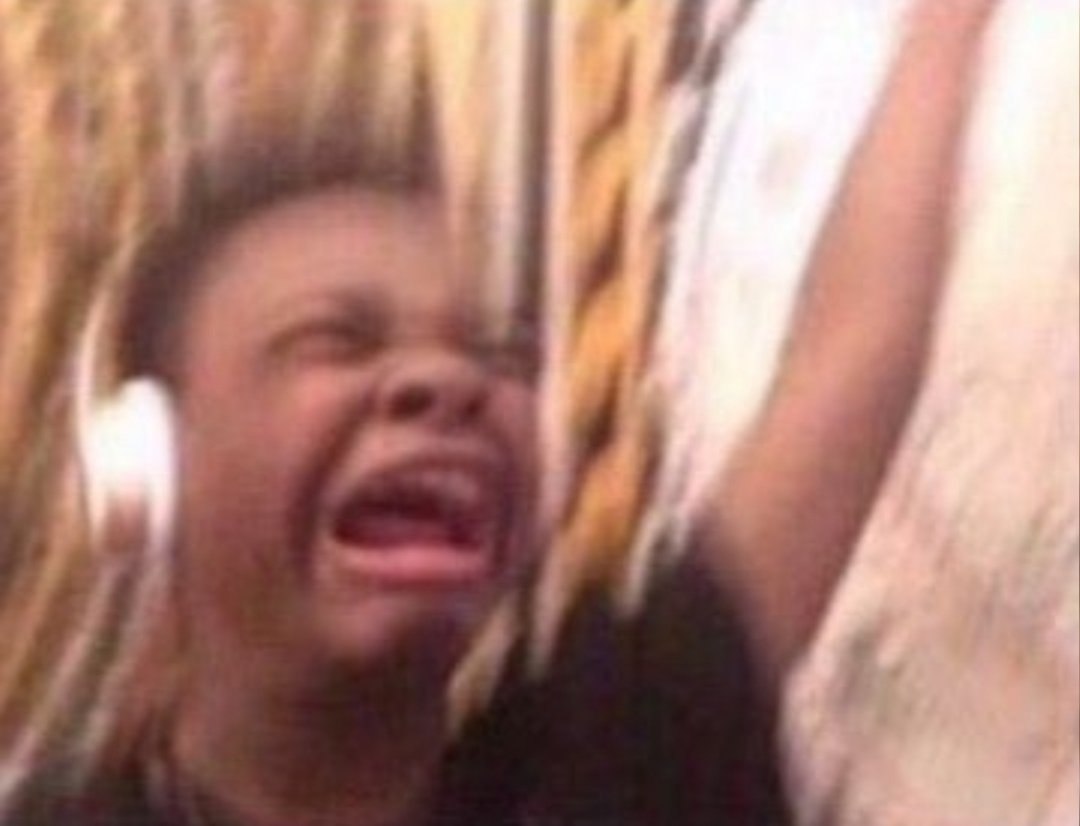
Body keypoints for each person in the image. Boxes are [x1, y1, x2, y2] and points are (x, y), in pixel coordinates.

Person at [3, 0, 999, 823]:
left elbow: (850, 352)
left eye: (498, 353)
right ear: (145, 467)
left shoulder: (628, 751)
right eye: (338, 340)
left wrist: (948, 28)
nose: (447, 382)